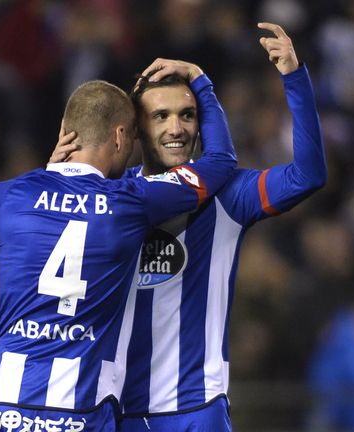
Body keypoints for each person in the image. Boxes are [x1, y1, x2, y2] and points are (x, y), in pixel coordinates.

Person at [0, 71, 236, 430]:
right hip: (79, 411)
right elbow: (221, 161)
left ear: (66, 130)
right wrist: (200, 80)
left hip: (4, 406)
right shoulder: (131, 201)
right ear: (120, 136)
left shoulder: (8, 197)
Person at [51, 21, 326, 431]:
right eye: (160, 116)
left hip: (195, 412)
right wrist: (55, 176)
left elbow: (308, 175)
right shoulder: (107, 195)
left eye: (187, 115)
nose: (176, 128)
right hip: (112, 412)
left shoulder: (229, 194)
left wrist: (293, 77)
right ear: (136, 130)